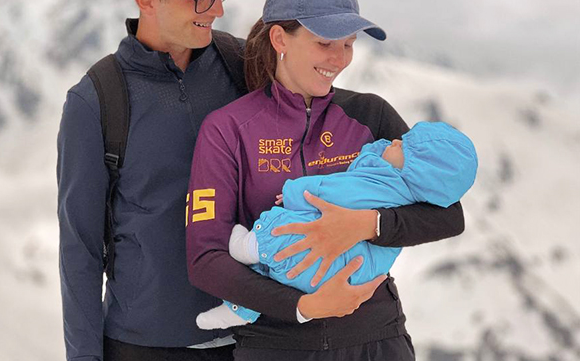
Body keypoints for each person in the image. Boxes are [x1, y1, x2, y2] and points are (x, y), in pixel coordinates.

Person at [57, 0, 397, 361]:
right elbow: (79, 254)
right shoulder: (97, 101)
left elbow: (319, 106)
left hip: (257, 357)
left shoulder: (245, 67)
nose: (217, 9)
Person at [186, 0, 467, 361]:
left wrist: (365, 224)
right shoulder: (228, 129)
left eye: (349, 43)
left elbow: (449, 215)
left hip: (376, 352)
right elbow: (206, 259)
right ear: (280, 37)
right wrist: (304, 306)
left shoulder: (370, 114)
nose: (340, 58)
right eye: (325, 43)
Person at [196, 120, 478, 330]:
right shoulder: (415, 190)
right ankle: (241, 310)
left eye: (403, 146)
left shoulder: (384, 180)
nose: (394, 141)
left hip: (330, 271)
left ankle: (249, 247)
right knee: (279, 267)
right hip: (344, 277)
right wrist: (303, 308)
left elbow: (333, 190)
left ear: (415, 170)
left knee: (285, 228)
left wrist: (294, 192)